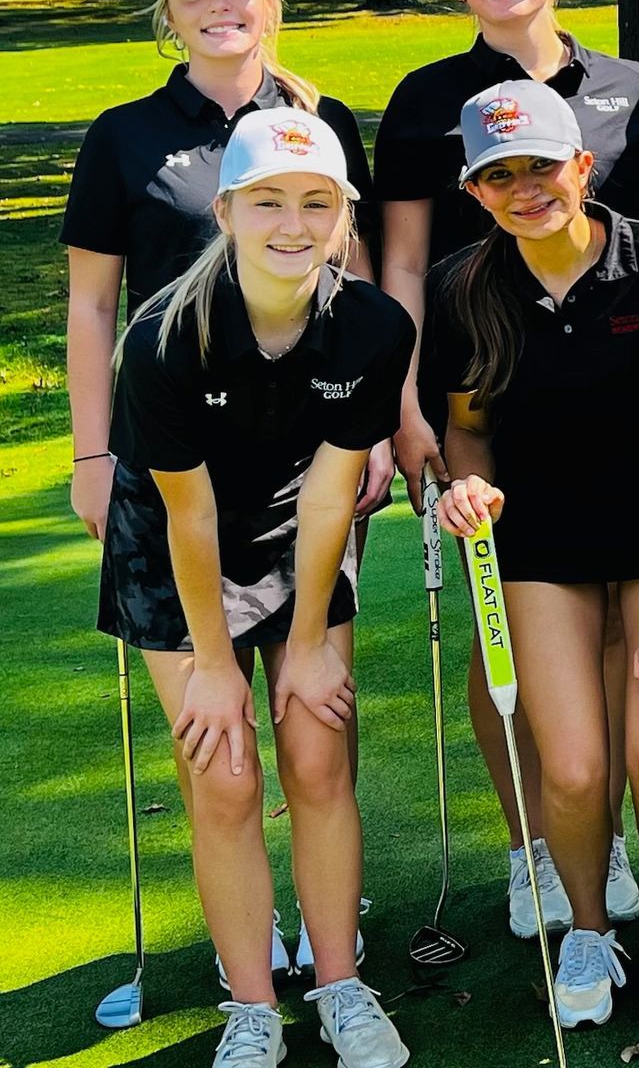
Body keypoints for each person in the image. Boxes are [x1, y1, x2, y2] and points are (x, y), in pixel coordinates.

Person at [63, 0, 385, 978]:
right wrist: (91, 454)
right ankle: (252, 978)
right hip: (170, 474)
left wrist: (372, 431)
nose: (218, 6)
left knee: (313, 738)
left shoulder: (321, 119)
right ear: (168, 11)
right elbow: (92, 302)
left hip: (304, 475)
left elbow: (364, 284)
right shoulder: (122, 134)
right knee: (225, 764)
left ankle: (333, 953)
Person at [376, 0, 639, 937]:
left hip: (622, 404)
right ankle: (528, 846)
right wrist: (405, 407)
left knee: (600, 633)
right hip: (481, 408)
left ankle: (599, 829)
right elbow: (405, 263)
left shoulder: (633, 87)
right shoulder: (422, 99)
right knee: (503, 629)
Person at [99, 109, 414, 1068]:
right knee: (225, 774)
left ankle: (340, 987)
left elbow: (327, 500)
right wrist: (210, 665)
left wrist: (309, 638)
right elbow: (187, 518)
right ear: (228, 210)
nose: (293, 222)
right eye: (268, 201)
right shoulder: (163, 337)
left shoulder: (371, 325)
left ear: (343, 217)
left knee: (316, 758)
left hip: (294, 531)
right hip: (172, 545)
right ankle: (251, 1005)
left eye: (317, 202)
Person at [429, 80, 639, 1025]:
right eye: (500, 175)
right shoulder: (465, 287)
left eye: (543, 166)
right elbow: (467, 428)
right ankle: (590, 933)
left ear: (584, 166)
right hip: (541, 544)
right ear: (476, 190)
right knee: (570, 770)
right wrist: (464, 484)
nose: (526, 189)